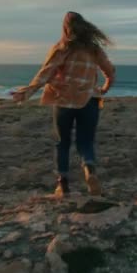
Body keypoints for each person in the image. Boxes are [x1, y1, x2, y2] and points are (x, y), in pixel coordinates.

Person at [11, 11, 116, 197]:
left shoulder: (62, 48)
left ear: (66, 28)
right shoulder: (94, 49)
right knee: (86, 141)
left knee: (62, 142)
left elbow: (46, 73)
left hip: (63, 100)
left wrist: (27, 92)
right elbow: (110, 70)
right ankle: (90, 170)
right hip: (89, 100)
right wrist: (105, 86)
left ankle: (63, 185)